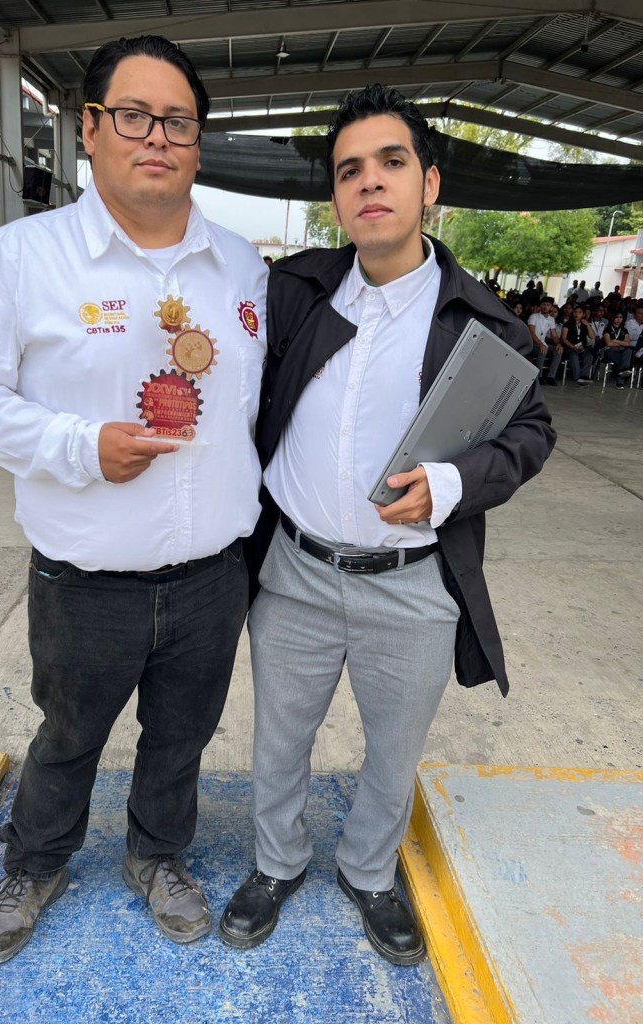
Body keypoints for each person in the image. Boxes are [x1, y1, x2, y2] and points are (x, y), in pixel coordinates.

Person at [0, 34, 267, 963]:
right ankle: (35, 862)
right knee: (69, 734)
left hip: (213, 576)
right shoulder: (22, 257)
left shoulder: (242, 267)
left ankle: (157, 855)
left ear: (197, 142)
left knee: (182, 736)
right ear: (89, 128)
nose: (157, 137)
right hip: (85, 577)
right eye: (134, 115)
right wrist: (77, 448)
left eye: (178, 122)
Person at [218, 85, 555, 964]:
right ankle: (276, 862)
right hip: (294, 572)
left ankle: (369, 871)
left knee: (393, 750)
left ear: (429, 184)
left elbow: (533, 432)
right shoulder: (294, 292)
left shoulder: (484, 323)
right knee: (278, 740)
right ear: (336, 199)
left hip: (411, 585)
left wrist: (451, 484)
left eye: (392, 162)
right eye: (350, 171)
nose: (370, 182)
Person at [527, 295, 563, 384]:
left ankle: (551, 377)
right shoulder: (533, 316)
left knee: (558, 351)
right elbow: (532, 333)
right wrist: (540, 344)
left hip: (543, 343)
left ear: (551, 307)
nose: (545, 307)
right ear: (540, 305)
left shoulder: (551, 319)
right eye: (544, 304)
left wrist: (558, 344)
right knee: (542, 350)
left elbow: (554, 335)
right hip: (532, 344)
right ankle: (539, 377)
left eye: (548, 305)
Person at [560, 305, 594, 385]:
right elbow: (564, 338)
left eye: (579, 312)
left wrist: (588, 325)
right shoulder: (567, 324)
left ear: (583, 314)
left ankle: (584, 376)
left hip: (581, 347)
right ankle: (577, 377)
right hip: (569, 347)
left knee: (589, 356)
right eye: (575, 312)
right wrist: (573, 347)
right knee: (573, 356)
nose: (576, 314)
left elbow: (592, 336)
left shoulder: (585, 325)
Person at [602, 311, 633, 388]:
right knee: (623, 361)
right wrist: (622, 343)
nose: (618, 319)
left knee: (629, 351)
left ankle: (621, 375)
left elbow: (627, 343)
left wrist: (615, 340)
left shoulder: (624, 330)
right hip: (609, 350)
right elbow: (608, 343)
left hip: (621, 350)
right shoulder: (607, 329)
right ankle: (620, 381)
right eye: (617, 317)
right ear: (613, 318)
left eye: (621, 317)